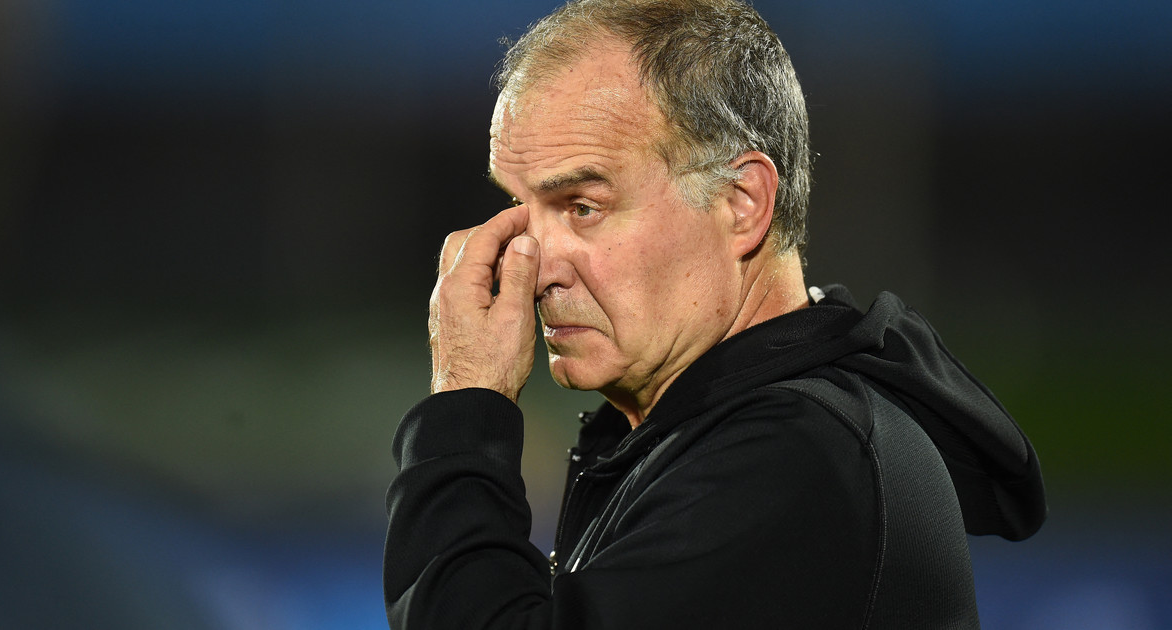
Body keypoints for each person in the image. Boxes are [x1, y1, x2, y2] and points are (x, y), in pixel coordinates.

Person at [383, 0, 1046, 627]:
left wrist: (465, 404)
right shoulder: (712, 431)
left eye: (583, 206)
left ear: (742, 203)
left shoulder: (797, 459)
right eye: (521, 210)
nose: (533, 264)